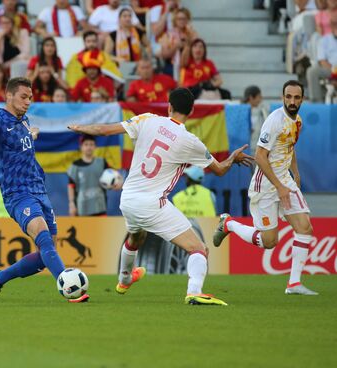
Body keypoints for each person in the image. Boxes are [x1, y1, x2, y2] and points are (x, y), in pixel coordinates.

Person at [68, 87, 253, 305]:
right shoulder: (190, 141)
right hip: (151, 204)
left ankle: (124, 280)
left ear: (169, 106)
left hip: (127, 199)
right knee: (199, 249)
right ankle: (194, 291)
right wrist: (232, 158)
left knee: (136, 237)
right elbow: (220, 170)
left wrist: (81, 128)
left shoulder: (148, 120)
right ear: (191, 111)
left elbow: (104, 130)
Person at [0, 77, 89, 303]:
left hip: (39, 190)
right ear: (9, 96)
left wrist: (32, 134)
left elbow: (20, 142)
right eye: (23, 97)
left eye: (30, 97)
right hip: (18, 194)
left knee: (44, 256)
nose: (28, 102)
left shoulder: (24, 120)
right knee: (44, 239)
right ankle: (67, 285)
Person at [213, 80, 318, 296]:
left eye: (296, 97)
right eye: (288, 97)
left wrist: (295, 174)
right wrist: (279, 186)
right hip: (267, 185)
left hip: (284, 182)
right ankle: (229, 224)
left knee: (305, 228)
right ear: (282, 97)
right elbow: (260, 155)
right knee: (270, 241)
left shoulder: (297, 121)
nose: (292, 101)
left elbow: (290, 147)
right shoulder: (274, 120)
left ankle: (294, 284)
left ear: (302, 99)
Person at [67, 134, 113, 217]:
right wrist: (71, 204)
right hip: (82, 207)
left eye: (91, 144)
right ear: (81, 147)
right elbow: (71, 186)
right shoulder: (75, 166)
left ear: (95, 147)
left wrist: (117, 183)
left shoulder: (102, 162)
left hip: (100, 206)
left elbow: (113, 176)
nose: (89, 147)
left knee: (101, 229)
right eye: (86, 144)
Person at [242, 85, 268, 156]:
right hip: (245, 150)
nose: (260, 100)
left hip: (256, 150)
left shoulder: (262, 112)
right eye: (259, 97)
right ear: (251, 97)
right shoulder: (240, 113)